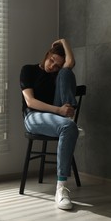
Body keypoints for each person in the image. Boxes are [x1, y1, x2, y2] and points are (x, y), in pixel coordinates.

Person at [20, 38, 78, 210]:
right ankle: (61, 190)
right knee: (68, 128)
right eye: (52, 60)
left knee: (67, 73)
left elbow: (70, 63)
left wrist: (64, 41)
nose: (53, 66)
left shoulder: (57, 75)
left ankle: (68, 123)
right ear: (48, 54)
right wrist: (58, 111)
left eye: (57, 65)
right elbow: (30, 101)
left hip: (56, 115)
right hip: (34, 117)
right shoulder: (28, 70)